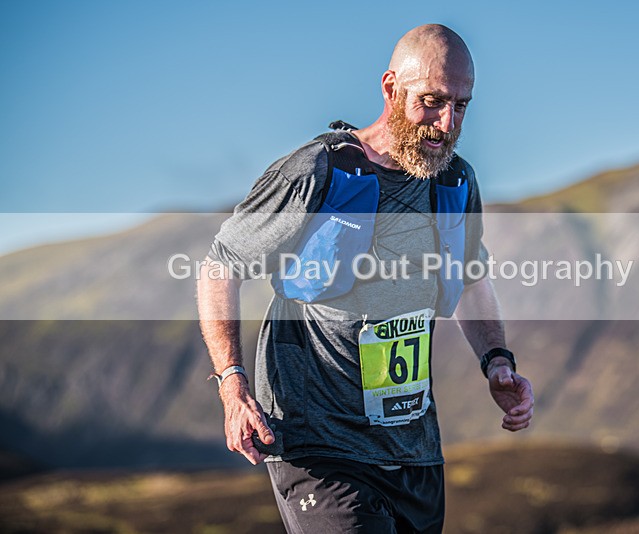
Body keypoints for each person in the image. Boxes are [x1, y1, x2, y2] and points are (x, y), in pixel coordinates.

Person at [197, 24, 534, 533]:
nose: (446, 122)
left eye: (461, 105)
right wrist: (232, 386)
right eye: (431, 101)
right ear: (390, 87)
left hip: (413, 450)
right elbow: (220, 266)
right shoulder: (317, 172)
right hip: (319, 445)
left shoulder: (456, 181)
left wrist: (497, 362)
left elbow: (469, 278)